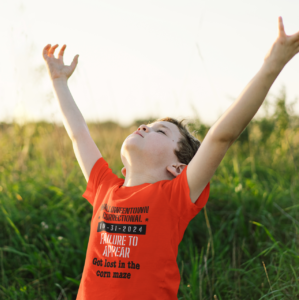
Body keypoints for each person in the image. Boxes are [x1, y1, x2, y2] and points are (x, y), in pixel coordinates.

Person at [43, 16, 299, 299]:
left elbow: (221, 137)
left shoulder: (174, 196)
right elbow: (78, 134)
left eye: (160, 131)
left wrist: (273, 64)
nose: (144, 127)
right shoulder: (105, 188)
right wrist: (59, 81)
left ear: (177, 167)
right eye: (147, 125)